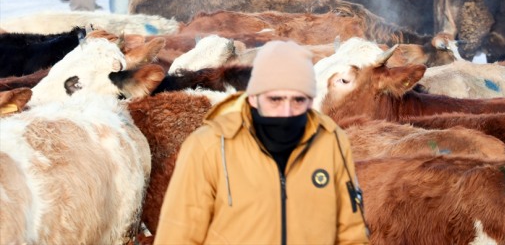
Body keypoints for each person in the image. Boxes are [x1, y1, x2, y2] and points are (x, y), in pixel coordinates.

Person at [155, 40, 369, 245]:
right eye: (275, 99)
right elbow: (177, 235)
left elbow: (350, 232)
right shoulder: (208, 147)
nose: (287, 112)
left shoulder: (331, 141)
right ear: (253, 97)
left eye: (298, 100)